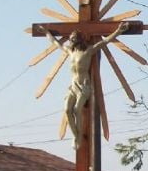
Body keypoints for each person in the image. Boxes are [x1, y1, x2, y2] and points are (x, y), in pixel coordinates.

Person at [39, 21, 129, 149]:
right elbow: (56, 43)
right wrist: (46, 32)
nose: (71, 41)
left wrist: (118, 31)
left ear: (79, 39)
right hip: (73, 86)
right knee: (67, 110)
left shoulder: (88, 51)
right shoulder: (70, 52)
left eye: (73, 39)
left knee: (77, 109)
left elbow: (104, 42)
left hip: (84, 86)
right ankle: (76, 135)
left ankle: (78, 137)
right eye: (71, 39)